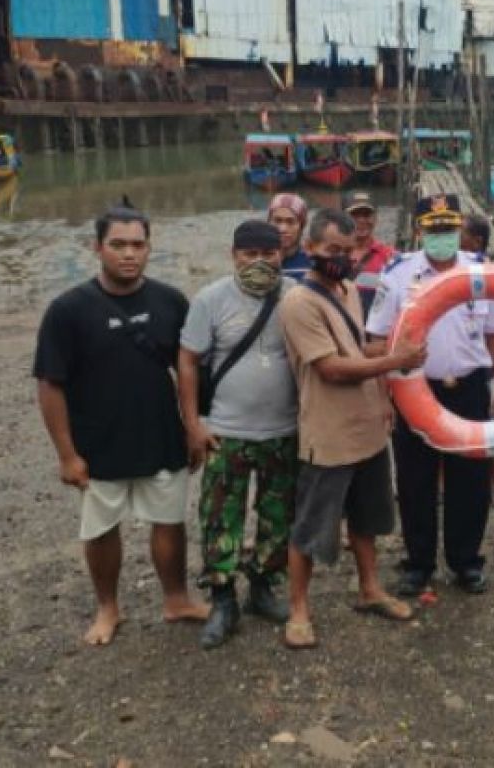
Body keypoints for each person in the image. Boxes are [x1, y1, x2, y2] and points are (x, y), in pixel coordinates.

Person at [33, 200, 208, 647]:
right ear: (97, 247)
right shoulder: (67, 310)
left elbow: (187, 371)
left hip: (161, 435)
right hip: (98, 443)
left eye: (138, 245)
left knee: (170, 521)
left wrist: (193, 426)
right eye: (118, 245)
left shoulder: (171, 302)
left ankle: (176, 598)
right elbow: (50, 385)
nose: (128, 254)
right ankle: (108, 607)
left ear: (150, 248)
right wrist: (67, 454)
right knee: (100, 529)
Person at [279, 209, 427, 649]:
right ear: (310, 250)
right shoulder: (299, 303)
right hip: (327, 434)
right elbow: (332, 367)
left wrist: (385, 393)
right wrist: (394, 361)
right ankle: (299, 610)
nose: (340, 259)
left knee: (367, 518)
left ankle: (369, 589)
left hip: (366, 431)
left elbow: (355, 345)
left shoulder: (346, 290)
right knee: (310, 527)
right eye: (331, 251)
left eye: (347, 251)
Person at [367, 193, 494, 597]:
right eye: (433, 229)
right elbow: (378, 339)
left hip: (469, 389)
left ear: (460, 229)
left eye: (448, 228)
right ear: (419, 231)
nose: (442, 236)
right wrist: (384, 400)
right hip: (413, 387)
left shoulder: (482, 271)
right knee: (415, 482)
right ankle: (419, 564)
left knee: (471, 480)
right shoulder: (397, 274)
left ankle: (466, 562)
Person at [177, 221, 298, 649]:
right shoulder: (210, 300)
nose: (260, 262)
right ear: (233, 255)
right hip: (226, 432)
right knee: (219, 518)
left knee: (278, 515)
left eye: (269, 253)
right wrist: (193, 424)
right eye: (250, 254)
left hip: (285, 430)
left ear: (282, 254)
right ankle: (223, 599)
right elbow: (188, 361)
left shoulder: (295, 298)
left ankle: (263, 589)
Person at [462, 213, 494, 509]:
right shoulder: (427, 272)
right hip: (442, 371)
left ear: (477, 242)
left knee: (488, 433)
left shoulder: (488, 274)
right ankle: (444, 483)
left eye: (458, 232)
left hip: (480, 373)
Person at [346, 191, 395, 315]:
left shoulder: (389, 256)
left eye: (367, 215)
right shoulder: (332, 254)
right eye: (354, 215)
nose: (361, 220)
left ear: (376, 218)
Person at [270, 193, 312, 282]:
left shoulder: (312, 261)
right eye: (277, 221)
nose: (283, 229)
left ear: (302, 226)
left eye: (290, 222)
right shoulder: (258, 258)